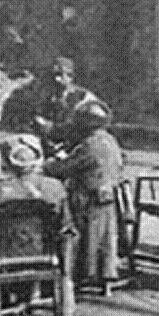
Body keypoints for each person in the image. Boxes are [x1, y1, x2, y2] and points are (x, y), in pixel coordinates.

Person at [0, 134, 75, 316]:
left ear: (10, 164)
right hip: (45, 255)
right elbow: (66, 225)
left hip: (8, 257)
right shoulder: (55, 187)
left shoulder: (1, 191)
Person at [44, 100, 123, 290]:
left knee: (52, 213)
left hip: (87, 201)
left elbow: (62, 169)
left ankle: (65, 269)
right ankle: (103, 274)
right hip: (107, 199)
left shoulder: (90, 145)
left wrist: (48, 163)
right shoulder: (110, 140)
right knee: (104, 238)